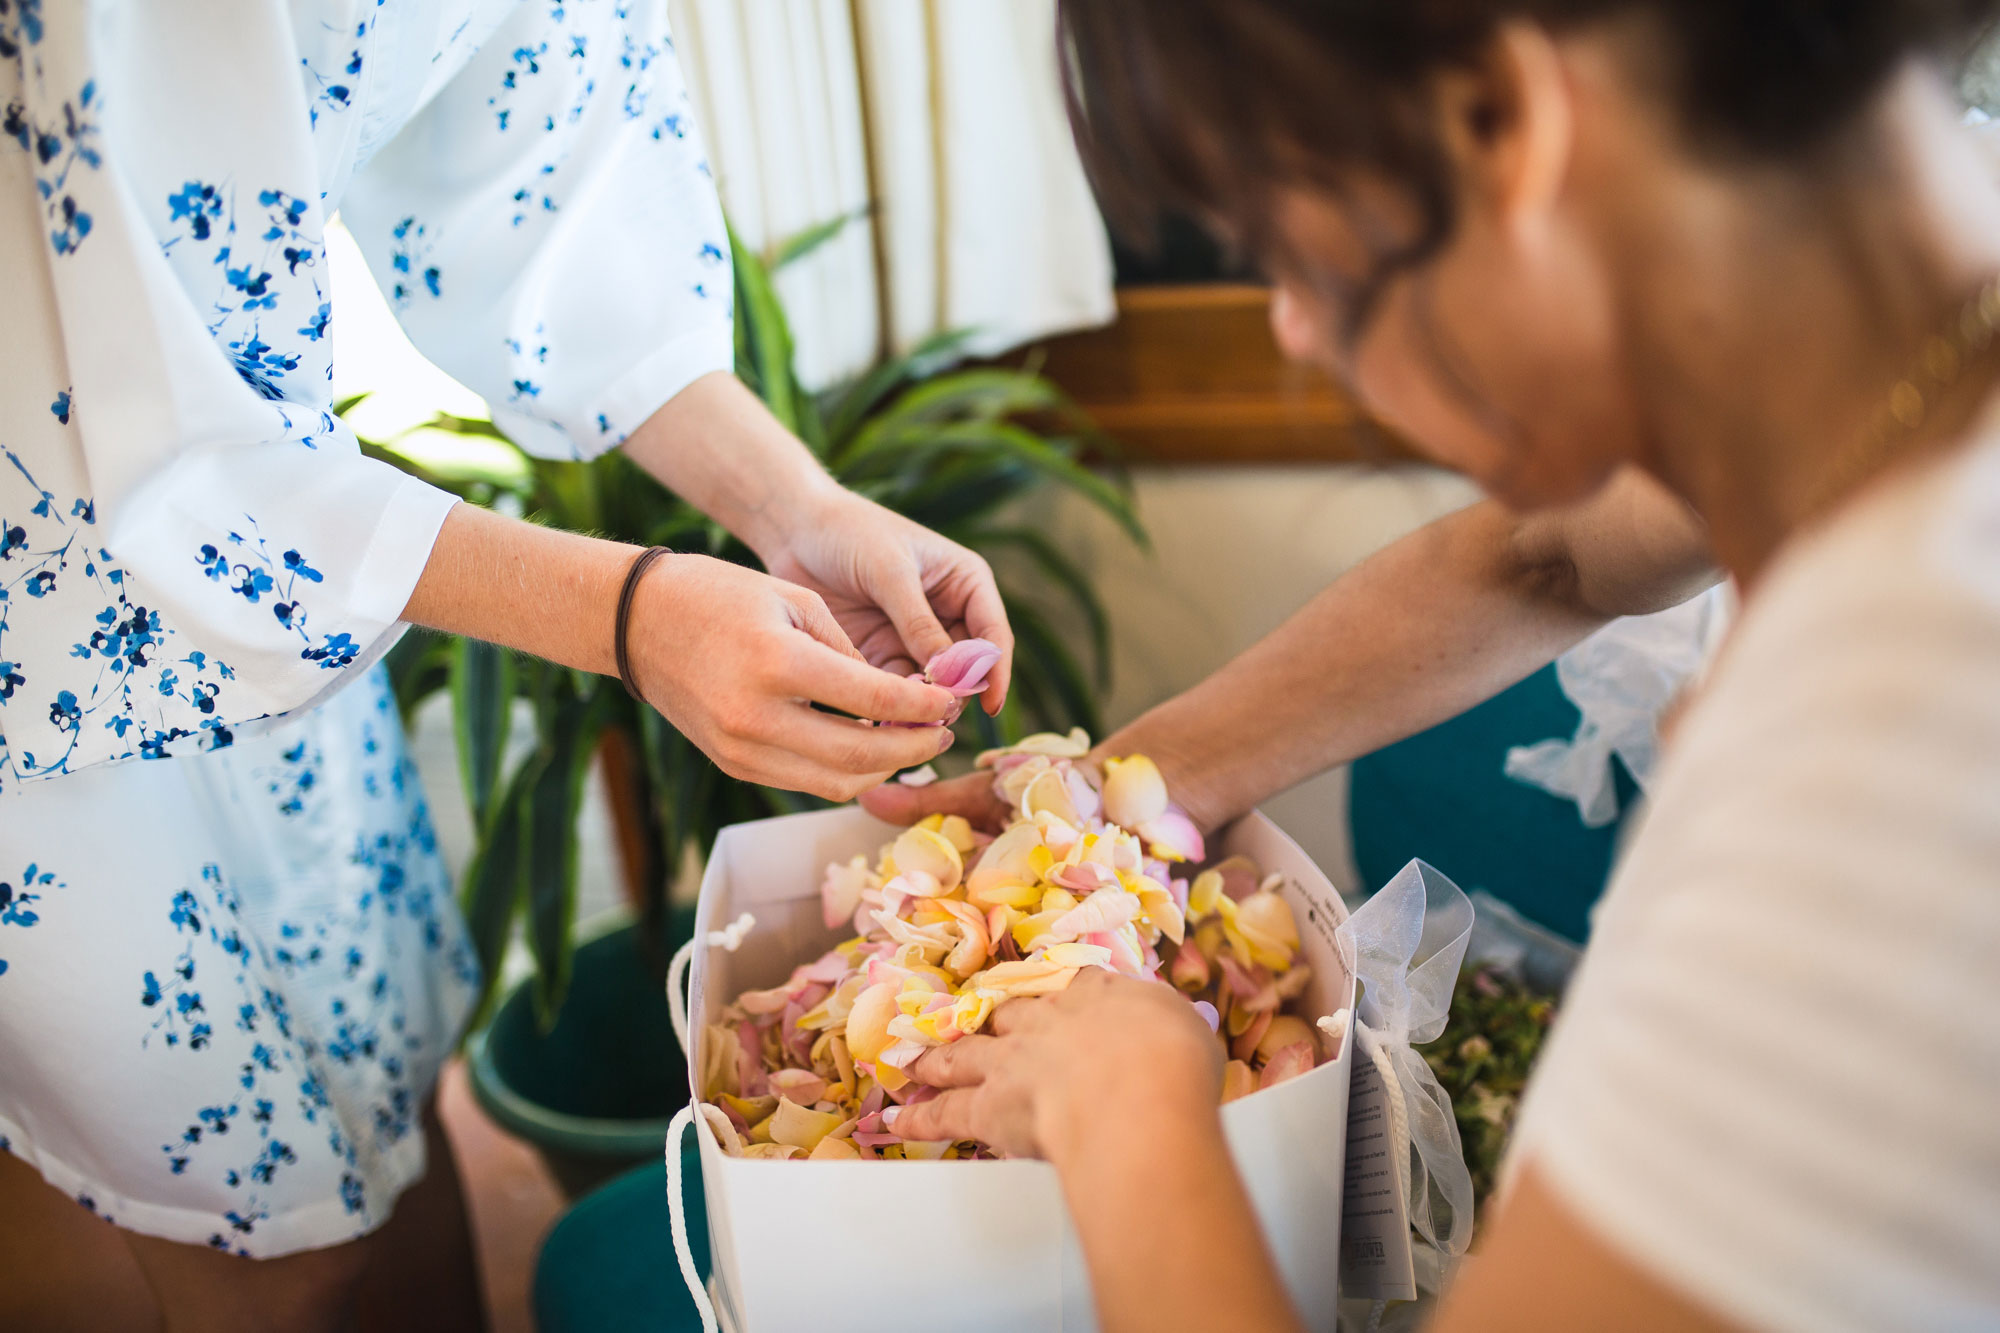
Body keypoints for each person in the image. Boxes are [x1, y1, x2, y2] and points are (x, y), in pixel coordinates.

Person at [867, 1, 2000, 1329]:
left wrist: (1128, 1112)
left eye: (1286, 247)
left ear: (1500, 125)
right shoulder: (1893, 386)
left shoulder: (1913, 733)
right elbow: (1548, 559)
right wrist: (1127, 802)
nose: (1292, 328)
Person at [0, 2, 1008, 1329]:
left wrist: (796, 507)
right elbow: (129, 424)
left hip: (286, 609)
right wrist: (633, 612)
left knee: (388, 1104)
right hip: (49, 644)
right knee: (245, 1247)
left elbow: (547, 161)